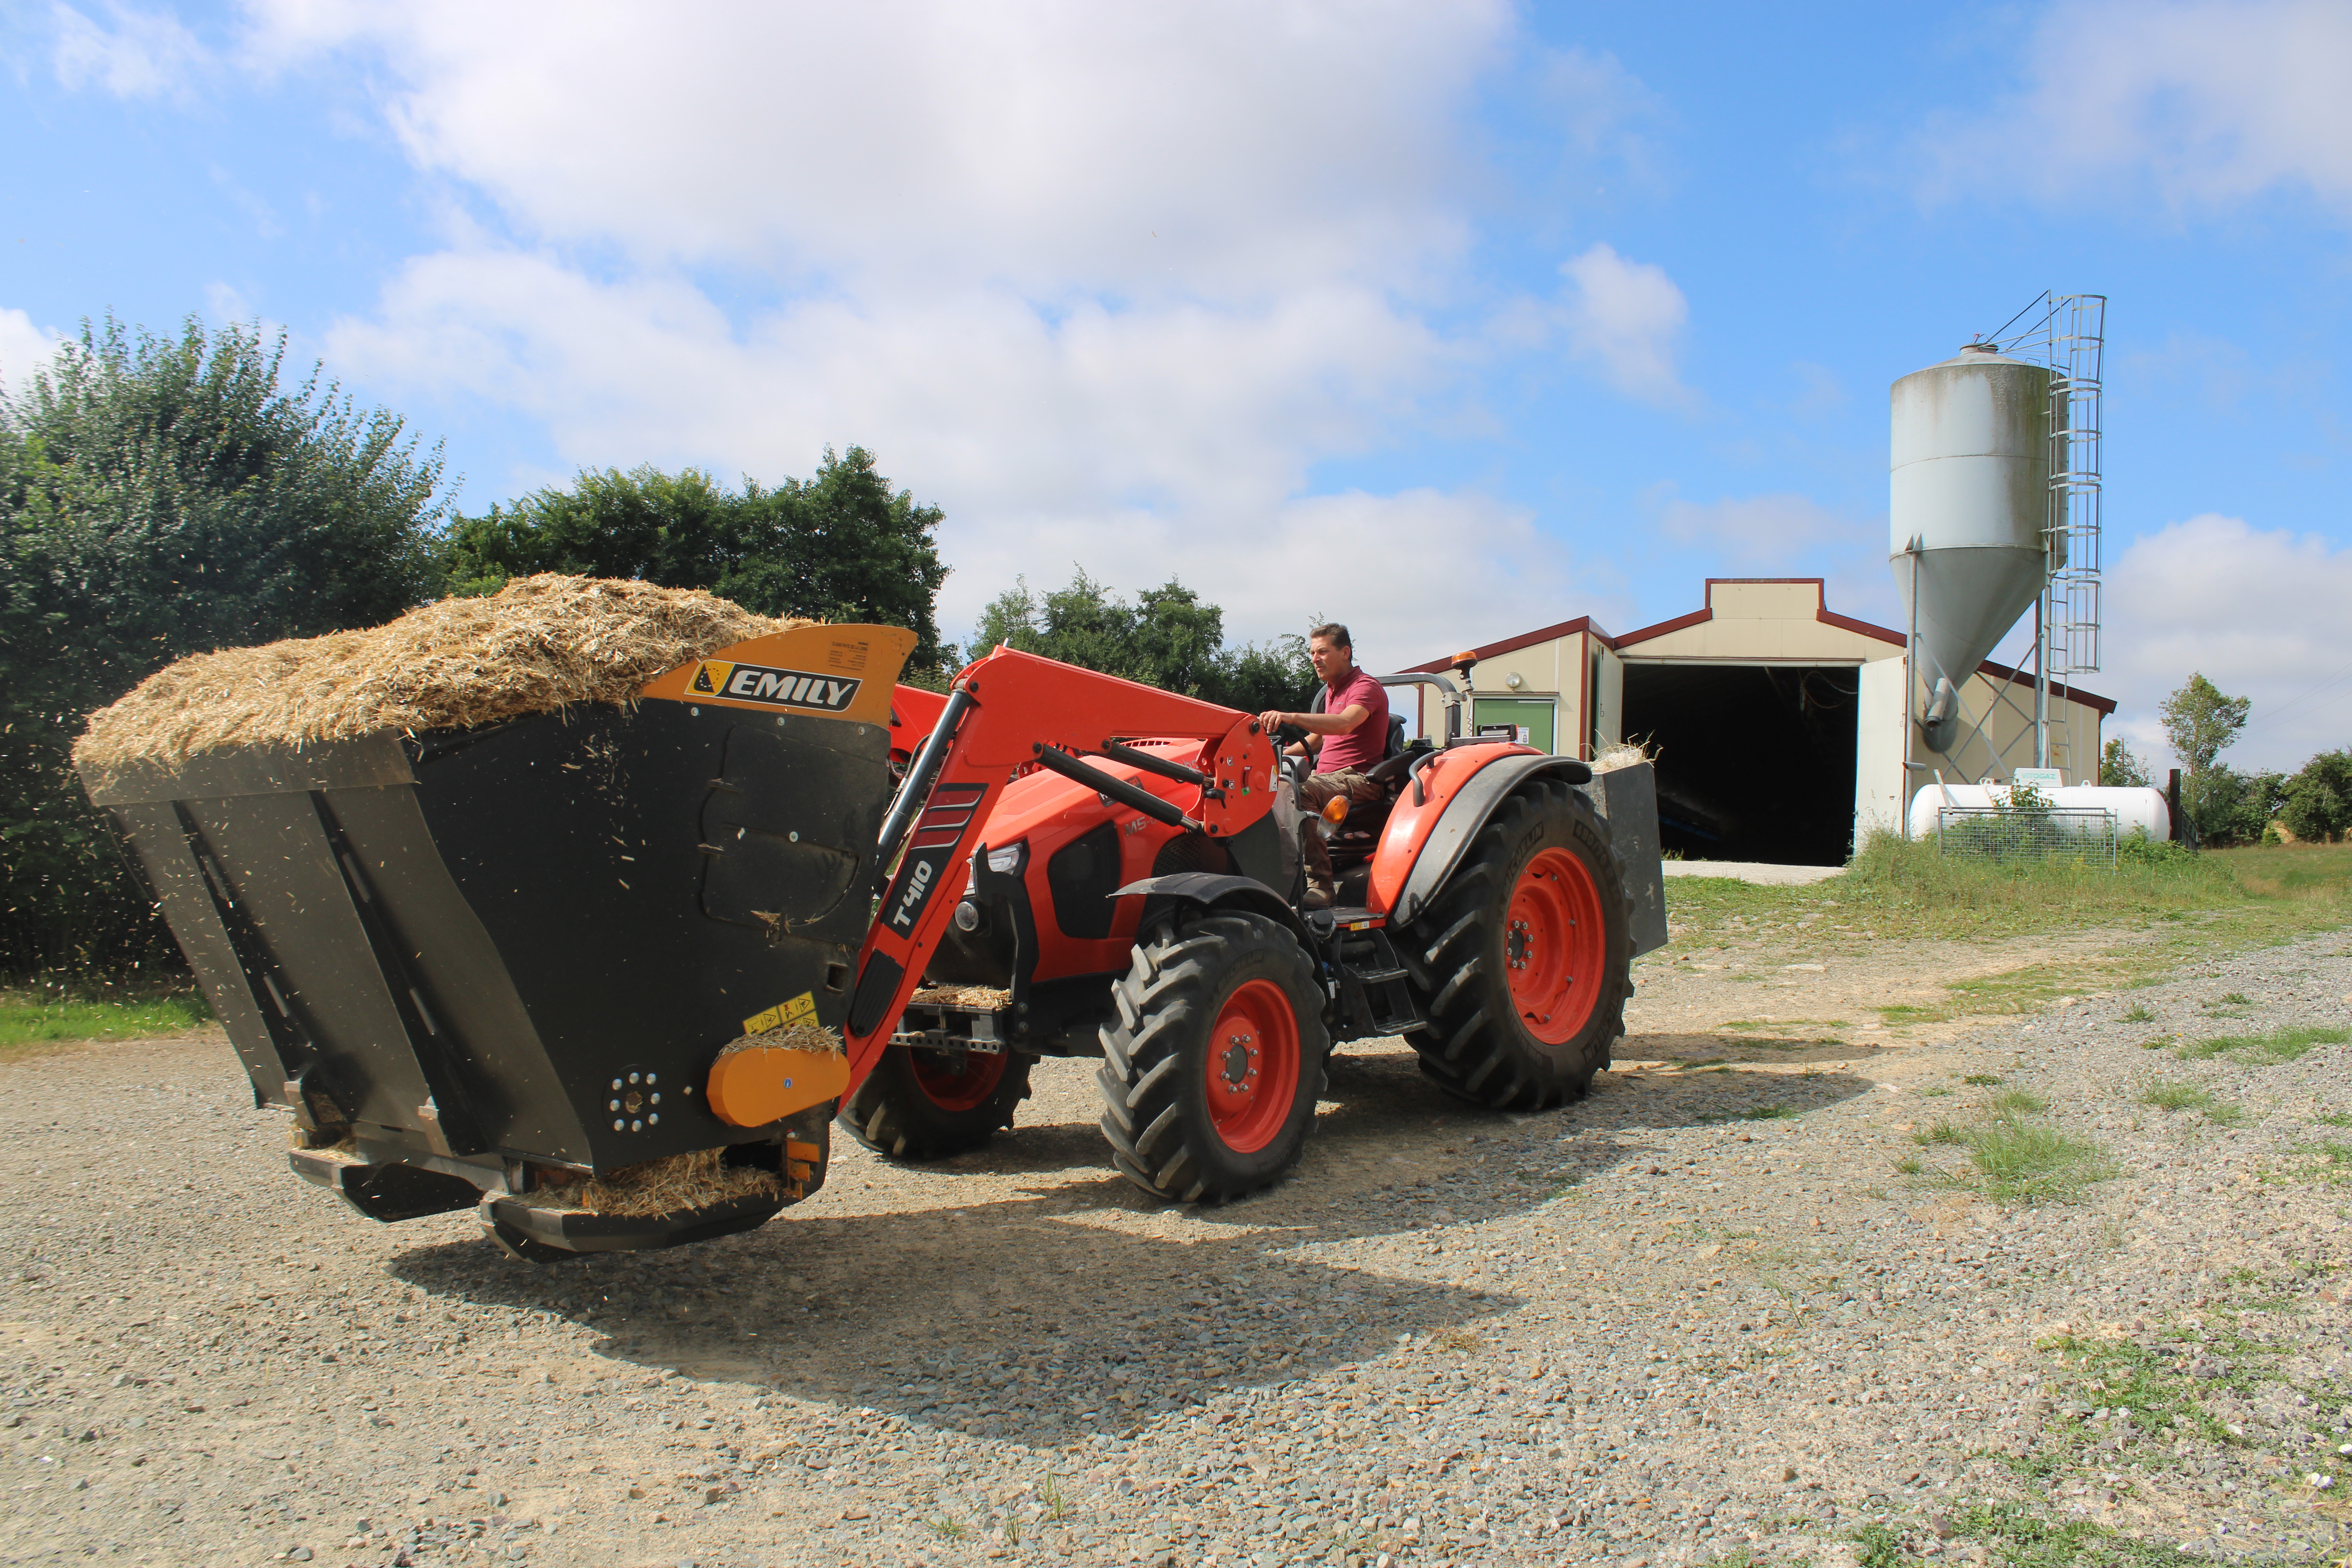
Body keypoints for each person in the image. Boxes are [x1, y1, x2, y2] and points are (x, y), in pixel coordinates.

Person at [1258, 622, 1388, 908]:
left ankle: (1321, 886)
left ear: (1345, 652)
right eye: (1312, 652)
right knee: (1264, 788)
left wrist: (1291, 716)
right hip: (1327, 779)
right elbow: (1316, 740)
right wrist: (1270, 755)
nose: (1315, 659)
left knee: (1297, 792)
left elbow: (1344, 724)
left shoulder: (1365, 687)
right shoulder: (1333, 690)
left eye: (1322, 652)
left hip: (1359, 778)